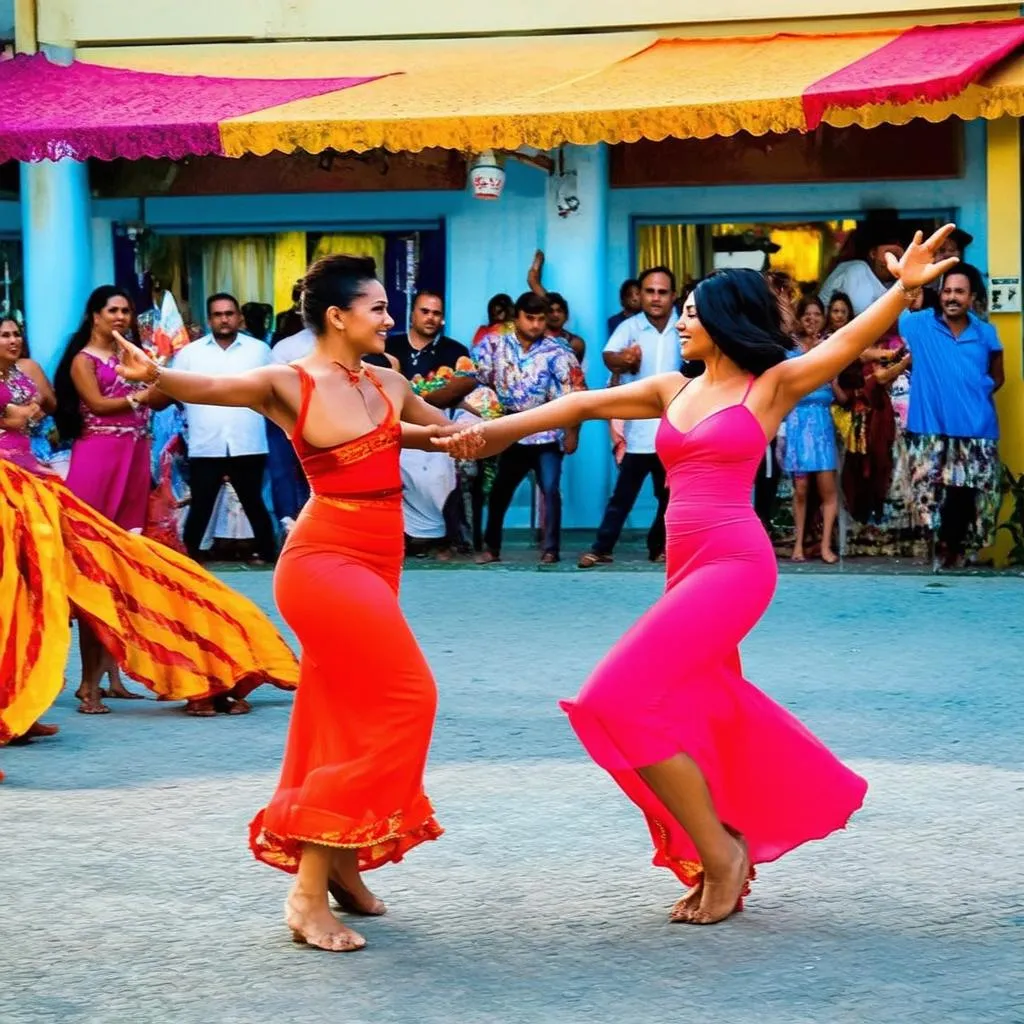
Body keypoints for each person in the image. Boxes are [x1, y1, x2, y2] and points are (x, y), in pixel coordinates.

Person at [435, 224, 958, 926]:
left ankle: (721, 855)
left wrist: (902, 286)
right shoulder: (669, 390)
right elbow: (583, 405)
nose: (680, 322)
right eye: (680, 311)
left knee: (613, 700)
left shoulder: (769, 386)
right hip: (684, 567)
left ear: (722, 322)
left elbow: (843, 343)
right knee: (689, 710)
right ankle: (723, 844)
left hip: (736, 564)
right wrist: (495, 433)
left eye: (690, 313)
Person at [115, 254, 453, 953]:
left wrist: (502, 422)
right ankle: (306, 878)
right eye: (379, 308)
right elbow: (209, 385)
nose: (390, 319)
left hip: (381, 556)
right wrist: (157, 377)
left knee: (343, 714)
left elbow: (423, 428)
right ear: (338, 317)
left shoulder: (388, 377)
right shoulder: (288, 382)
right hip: (323, 562)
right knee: (409, 698)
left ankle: (343, 867)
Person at [0, 328, 299, 779]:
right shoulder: (76, 363)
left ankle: (206, 658)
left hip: (39, 483)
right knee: (22, 595)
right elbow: (31, 414)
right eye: (3, 334)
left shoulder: (26, 372)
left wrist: (23, 413)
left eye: (16, 334)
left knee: (116, 567)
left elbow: (38, 409)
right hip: (15, 490)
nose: (12, 340)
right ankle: (31, 702)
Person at [54, 287, 175, 711]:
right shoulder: (82, 360)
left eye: (126, 310)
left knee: (122, 570)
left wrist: (153, 380)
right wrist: (142, 391)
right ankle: (88, 684)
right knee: (93, 572)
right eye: (113, 310)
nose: (121, 317)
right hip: (99, 462)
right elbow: (99, 405)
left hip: (133, 459)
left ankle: (112, 675)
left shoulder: (136, 357)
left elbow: (164, 396)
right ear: (95, 315)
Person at [900, 264, 1004, 568]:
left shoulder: (986, 333)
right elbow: (898, 304)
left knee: (970, 491)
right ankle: (941, 548)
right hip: (930, 426)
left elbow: (998, 376)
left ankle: (954, 548)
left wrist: (973, 394)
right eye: (947, 291)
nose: (952, 297)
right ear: (939, 294)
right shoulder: (917, 325)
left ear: (971, 297)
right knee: (931, 492)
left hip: (977, 427)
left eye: (959, 291)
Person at [578, 267, 681, 568]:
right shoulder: (630, 327)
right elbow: (608, 355)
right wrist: (624, 360)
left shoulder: (685, 326)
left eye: (662, 292)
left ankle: (658, 547)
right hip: (638, 432)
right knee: (622, 497)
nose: (656, 298)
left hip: (674, 430)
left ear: (672, 296)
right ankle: (602, 548)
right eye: (650, 291)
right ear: (641, 294)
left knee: (669, 498)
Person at [472, 291, 583, 564]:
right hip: (512, 429)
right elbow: (474, 376)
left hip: (547, 430)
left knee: (550, 489)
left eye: (540, 319)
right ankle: (491, 548)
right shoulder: (495, 346)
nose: (535, 324)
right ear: (517, 317)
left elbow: (577, 393)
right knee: (500, 491)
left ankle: (550, 550)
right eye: (529, 318)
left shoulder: (558, 351)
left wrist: (572, 432)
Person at [172, 293, 277, 565]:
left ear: (239, 317)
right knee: (201, 504)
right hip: (206, 441)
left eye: (229, 313)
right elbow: (175, 390)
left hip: (248, 439)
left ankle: (270, 555)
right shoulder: (190, 354)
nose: (224, 319)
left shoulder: (259, 351)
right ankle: (189, 559)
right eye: (218, 315)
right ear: (209, 320)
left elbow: (276, 389)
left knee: (254, 502)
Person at [371, 290, 477, 556]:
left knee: (441, 479)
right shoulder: (388, 347)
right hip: (396, 430)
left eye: (437, 313)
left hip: (439, 430)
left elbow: (463, 390)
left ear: (443, 319)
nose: (430, 318)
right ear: (412, 314)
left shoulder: (455, 352)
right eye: (425, 311)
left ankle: (447, 538)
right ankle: (404, 537)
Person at [781, 296, 840, 564]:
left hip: (822, 423)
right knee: (801, 489)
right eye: (807, 314)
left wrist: (832, 378)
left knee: (827, 488)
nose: (812, 319)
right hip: (796, 422)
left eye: (817, 314)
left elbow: (839, 394)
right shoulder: (789, 350)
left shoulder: (831, 347)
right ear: (798, 318)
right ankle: (798, 544)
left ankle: (826, 545)